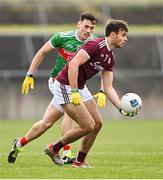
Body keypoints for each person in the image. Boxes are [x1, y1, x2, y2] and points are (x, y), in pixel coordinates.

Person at [8, 18, 137, 168]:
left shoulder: (110, 58)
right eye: (123, 35)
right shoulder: (96, 45)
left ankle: (77, 160)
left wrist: (120, 107)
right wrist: (74, 91)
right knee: (88, 125)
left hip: (79, 87)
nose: (126, 39)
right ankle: (54, 149)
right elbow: (74, 63)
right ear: (113, 35)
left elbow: (108, 87)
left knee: (93, 124)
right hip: (65, 84)